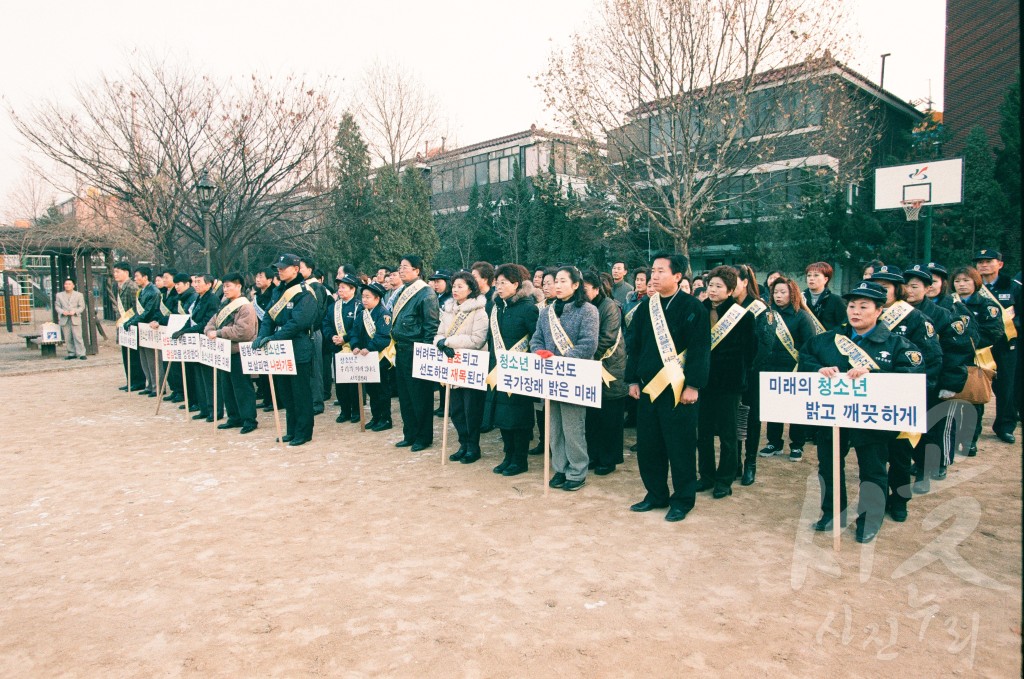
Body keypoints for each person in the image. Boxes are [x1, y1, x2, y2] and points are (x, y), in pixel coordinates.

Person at [799, 281, 926, 544]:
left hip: (871, 418)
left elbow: (912, 375)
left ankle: (870, 520)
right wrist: (817, 370)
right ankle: (832, 512)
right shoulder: (829, 340)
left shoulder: (896, 344)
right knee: (829, 465)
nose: (855, 311)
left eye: (863, 307)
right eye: (852, 306)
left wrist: (875, 375)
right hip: (832, 417)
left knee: (872, 468)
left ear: (879, 310)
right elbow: (806, 357)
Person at [626, 253, 710, 521]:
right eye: (653, 270)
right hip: (649, 388)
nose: (655, 275)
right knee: (650, 445)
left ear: (678, 276)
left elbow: (700, 350)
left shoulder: (693, 308)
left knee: (680, 446)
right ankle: (656, 494)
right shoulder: (646, 307)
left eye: (661, 271)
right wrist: (632, 379)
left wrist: (694, 385)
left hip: (679, 389)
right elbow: (635, 346)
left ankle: (682, 500)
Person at [867, 265, 944, 521]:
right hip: (871, 401)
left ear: (897, 290)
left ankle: (899, 500)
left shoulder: (915, 319)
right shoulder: (866, 316)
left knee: (900, 456)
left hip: (901, 400)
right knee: (874, 455)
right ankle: (874, 501)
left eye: (885, 288)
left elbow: (932, 360)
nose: (879, 291)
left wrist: (915, 394)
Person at [902, 264, 976, 491]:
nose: (910, 291)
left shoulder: (944, 314)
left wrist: (951, 383)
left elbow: (960, 350)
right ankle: (920, 463)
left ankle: (939, 463)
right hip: (908, 382)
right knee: (910, 429)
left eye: (916, 286)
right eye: (906, 286)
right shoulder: (895, 312)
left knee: (937, 426)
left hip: (939, 380)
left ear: (927, 288)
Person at [530, 266, 600, 491]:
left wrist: (559, 359)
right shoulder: (546, 312)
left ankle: (577, 471)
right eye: (554, 282)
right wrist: (539, 352)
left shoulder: (588, 310)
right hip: (550, 377)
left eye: (562, 281)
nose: (556, 286)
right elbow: (536, 339)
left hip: (574, 377)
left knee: (573, 427)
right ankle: (560, 468)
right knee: (554, 427)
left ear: (576, 285)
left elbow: (588, 344)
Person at [696, 266, 756, 498]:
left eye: (718, 286)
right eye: (710, 285)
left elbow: (751, 351)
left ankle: (725, 479)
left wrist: (739, 375)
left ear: (730, 290)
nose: (712, 290)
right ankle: (707, 475)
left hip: (729, 384)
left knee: (729, 435)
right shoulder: (698, 310)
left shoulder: (743, 316)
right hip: (702, 382)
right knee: (703, 433)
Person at [253, 254, 319, 446]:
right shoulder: (278, 291)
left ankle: (303, 432)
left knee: (300, 393)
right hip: (279, 348)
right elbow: (268, 317)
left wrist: (272, 338)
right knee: (286, 393)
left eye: (284, 267)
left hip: (298, 346)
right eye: (278, 268)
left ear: (295, 269)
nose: (279, 271)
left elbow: (298, 323)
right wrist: (262, 336)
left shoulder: (305, 292)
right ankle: (291, 430)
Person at [755, 277, 817, 466]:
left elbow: (810, 345)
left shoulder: (802, 316)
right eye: (775, 292)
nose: (779, 296)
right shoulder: (768, 314)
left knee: (795, 409)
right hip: (771, 367)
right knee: (774, 408)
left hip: (794, 368)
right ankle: (774, 442)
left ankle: (797, 444)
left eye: (783, 292)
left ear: (793, 293)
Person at [489, 264, 541, 476]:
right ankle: (508, 455)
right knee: (502, 416)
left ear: (516, 284)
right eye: (497, 283)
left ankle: (520, 460)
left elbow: (536, 338)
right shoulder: (498, 307)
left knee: (519, 418)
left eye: (504, 283)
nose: (499, 287)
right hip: (499, 369)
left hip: (521, 373)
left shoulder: (529, 308)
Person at [435, 271, 489, 463]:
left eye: (460, 286)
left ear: (471, 288)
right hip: (453, 366)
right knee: (456, 408)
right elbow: (439, 333)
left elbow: (477, 339)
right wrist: (440, 343)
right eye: (454, 286)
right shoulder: (448, 309)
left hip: (472, 367)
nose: (456, 290)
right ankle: (463, 443)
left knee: (471, 409)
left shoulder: (479, 310)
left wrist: (449, 342)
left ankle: (473, 446)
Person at [951, 266, 1004, 457]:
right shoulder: (948, 303)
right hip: (952, 359)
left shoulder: (987, 305)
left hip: (977, 359)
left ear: (975, 282)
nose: (961, 284)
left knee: (974, 401)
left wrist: (965, 343)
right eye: (957, 281)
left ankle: (970, 440)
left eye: (966, 280)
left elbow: (993, 332)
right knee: (951, 402)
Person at [392, 255, 441, 452]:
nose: (401, 270)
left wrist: (425, 354)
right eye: (400, 267)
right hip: (401, 349)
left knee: (420, 397)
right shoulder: (402, 291)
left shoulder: (425, 293)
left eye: (405, 267)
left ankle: (423, 437)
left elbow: (431, 327)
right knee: (405, 397)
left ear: (417, 270)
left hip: (417, 351)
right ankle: (410, 434)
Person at [581, 270, 627, 476]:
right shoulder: (583, 306)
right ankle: (593, 455)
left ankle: (609, 459)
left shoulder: (610, 306)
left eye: (585, 289)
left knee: (610, 416)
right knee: (592, 416)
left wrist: (584, 356)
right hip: (589, 367)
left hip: (610, 366)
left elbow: (608, 338)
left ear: (597, 289)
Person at [973, 248, 1020, 443]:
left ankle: (1005, 426)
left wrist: (1014, 322)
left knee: (1006, 387)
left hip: (1006, 345)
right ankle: (972, 429)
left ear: (1000, 264)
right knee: (976, 388)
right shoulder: (971, 285)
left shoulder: (1013, 286)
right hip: (980, 346)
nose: (983, 264)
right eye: (980, 261)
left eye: (988, 261)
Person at [204, 272, 259, 434]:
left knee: (242, 387)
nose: (225, 290)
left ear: (239, 286)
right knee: (227, 387)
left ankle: (249, 419)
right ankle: (234, 417)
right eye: (224, 286)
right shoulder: (224, 304)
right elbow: (211, 323)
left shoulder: (245, 306)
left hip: (239, 352)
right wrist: (210, 331)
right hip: (224, 352)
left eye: (228, 286)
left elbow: (243, 332)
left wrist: (219, 333)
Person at [731, 264, 768, 480]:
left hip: (752, 373)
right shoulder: (724, 307)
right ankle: (733, 461)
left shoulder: (760, 308)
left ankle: (750, 462)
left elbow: (765, 345)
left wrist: (747, 366)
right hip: (731, 373)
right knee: (732, 417)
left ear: (745, 282)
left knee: (752, 417)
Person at [173, 274, 222, 422]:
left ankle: (215, 410)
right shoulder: (199, 298)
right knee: (199, 376)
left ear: (209, 284)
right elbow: (191, 319)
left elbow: (207, 322)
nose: (195, 284)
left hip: (206, 340)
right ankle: (204, 408)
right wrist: (181, 330)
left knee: (209, 378)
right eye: (194, 282)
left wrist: (186, 331)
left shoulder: (212, 299)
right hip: (196, 343)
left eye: (199, 282)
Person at [348, 281, 394, 431]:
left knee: (382, 390)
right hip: (365, 358)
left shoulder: (383, 314)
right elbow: (354, 332)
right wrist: (354, 346)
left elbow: (383, 337)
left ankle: (385, 419)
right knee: (371, 390)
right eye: (363, 297)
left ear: (377, 298)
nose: (364, 300)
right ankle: (376, 417)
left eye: (368, 297)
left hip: (380, 358)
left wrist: (369, 347)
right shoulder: (362, 313)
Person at [324, 274, 362, 423]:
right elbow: (326, 323)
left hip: (353, 348)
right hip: (337, 349)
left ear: (353, 289)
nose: (340, 290)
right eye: (339, 287)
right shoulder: (334, 306)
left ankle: (356, 411)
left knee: (354, 382)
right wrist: (332, 336)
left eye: (343, 287)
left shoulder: (359, 306)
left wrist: (345, 338)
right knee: (341, 383)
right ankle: (344, 411)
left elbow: (358, 327)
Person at [123, 266, 162, 396]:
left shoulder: (154, 292)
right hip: (142, 328)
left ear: (145, 277)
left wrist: (132, 322)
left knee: (153, 359)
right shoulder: (142, 291)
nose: (135, 279)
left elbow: (147, 312)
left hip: (150, 328)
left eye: (137, 276)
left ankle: (158, 387)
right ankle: (150, 385)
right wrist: (130, 321)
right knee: (144, 358)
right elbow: (138, 311)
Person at [299, 257, 329, 416]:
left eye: (301, 268)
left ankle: (317, 403)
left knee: (315, 368)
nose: (298, 270)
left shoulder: (316, 287)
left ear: (310, 269)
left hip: (312, 332)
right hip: (300, 334)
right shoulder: (297, 286)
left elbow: (318, 312)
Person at [112, 262, 146, 392]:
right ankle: (130, 380)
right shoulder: (120, 287)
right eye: (114, 272)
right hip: (124, 324)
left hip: (131, 325)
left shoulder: (132, 287)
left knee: (133, 356)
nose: (115, 274)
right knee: (125, 354)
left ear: (126, 272)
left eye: (118, 272)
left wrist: (130, 321)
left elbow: (137, 307)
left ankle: (138, 381)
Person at [428, 269, 453, 418]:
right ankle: (442, 405)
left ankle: (448, 406)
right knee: (441, 376)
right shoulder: (435, 297)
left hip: (447, 341)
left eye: (439, 281)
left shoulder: (450, 299)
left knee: (448, 377)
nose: (436, 284)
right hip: (438, 340)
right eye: (434, 281)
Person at [803, 261, 846, 332]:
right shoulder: (800, 298)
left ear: (826, 279)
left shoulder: (835, 300)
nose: (811, 278)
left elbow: (843, 324)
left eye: (816, 275)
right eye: (809, 275)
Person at [55, 279, 87, 360]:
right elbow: (57, 306)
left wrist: (75, 311)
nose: (67, 285)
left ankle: (81, 353)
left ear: (73, 285)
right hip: (64, 319)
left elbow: (82, 306)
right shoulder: (59, 295)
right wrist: (62, 312)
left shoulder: (79, 295)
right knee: (68, 337)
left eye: (69, 284)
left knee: (78, 336)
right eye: (66, 284)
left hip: (75, 318)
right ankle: (71, 353)